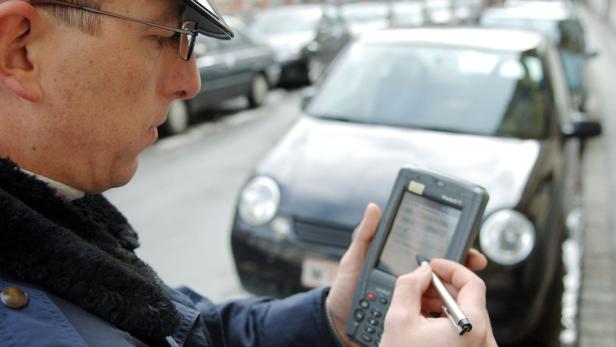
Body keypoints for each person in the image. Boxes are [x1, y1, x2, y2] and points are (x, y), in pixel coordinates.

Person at [0, 0, 498, 346]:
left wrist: (333, 318)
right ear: (21, 50)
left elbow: (188, 332)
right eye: (165, 38)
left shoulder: (52, 227)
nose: (188, 82)